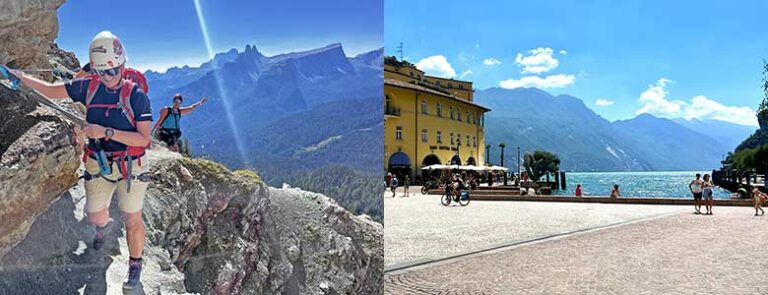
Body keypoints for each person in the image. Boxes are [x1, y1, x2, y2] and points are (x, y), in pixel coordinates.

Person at [9, 31, 151, 290]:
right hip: (99, 160)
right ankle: (103, 226)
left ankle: (135, 265)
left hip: (131, 165)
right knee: (95, 214)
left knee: (133, 219)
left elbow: (143, 139)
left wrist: (105, 132)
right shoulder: (89, 87)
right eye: (103, 72)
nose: (110, 77)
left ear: (123, 65)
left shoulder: (136, 95)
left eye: (115, 70)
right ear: (95, 70)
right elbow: (51, 90)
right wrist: (20, 78)